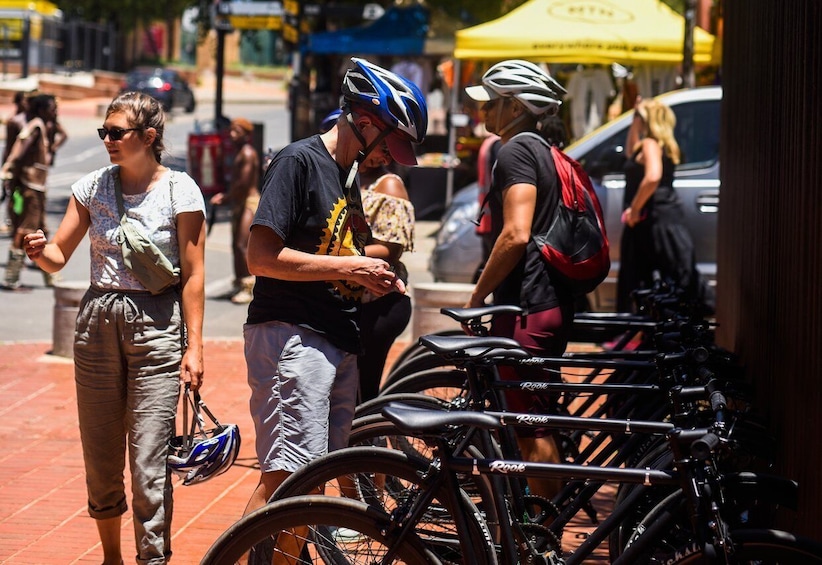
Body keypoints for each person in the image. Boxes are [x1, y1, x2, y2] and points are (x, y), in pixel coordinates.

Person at [22, 91, 206, 565]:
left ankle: (152, 558)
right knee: (101, 456)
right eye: (103, 132)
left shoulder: (180, 190)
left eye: (116, 132)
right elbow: (59, 256)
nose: (108, 140)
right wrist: (38, 251)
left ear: (149, 137)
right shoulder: (92, 188)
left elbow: (194, 273)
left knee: (148, 459)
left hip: (157, 327)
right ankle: (111, 557)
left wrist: (196, 347)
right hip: (96, 325)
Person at [241, 57, 427, 522]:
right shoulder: (298, 161)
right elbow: (261, 258)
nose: (390, 158)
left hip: (335, 338)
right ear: (363, 122)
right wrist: (353, 266)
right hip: (292, 335)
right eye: (390, 145)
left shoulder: (347, 177)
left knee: (313, 488)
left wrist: (368, 275)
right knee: (288, 484)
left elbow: (336, 256)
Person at [463, 60, 574, 499]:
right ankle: (540, 528)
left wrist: (477, 296)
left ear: (514, 107)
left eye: (490, 102)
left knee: (531, 430)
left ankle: (545, 538)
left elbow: (515, 233)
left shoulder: (515, 151)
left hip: (528, 306)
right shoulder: (542, 147)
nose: (483, 112)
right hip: (547, 302)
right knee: (531, 423)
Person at [616, 97, 707, 312]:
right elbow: (631, 154)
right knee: (659, 275)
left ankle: (642, 330)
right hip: (659, 220)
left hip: (654, 219)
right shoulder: (653, 146)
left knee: (654, 276)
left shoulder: (650, 144)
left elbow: (653, 177)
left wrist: (635, 208)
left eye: (639, 116)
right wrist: (634, 122)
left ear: (647, 120)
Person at [358, 164, 415, 402]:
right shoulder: (347, 176)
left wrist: (338, 255)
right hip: (358, 302)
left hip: (380, 304)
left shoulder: (388, 184)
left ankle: (370, 438)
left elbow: (390, 249)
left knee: (363, 393)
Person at [1, 93, 57, 289]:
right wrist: (7, 167)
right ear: (42, 109)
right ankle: (11, 278)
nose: (54, 112)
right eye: (51, 108)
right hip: (31, 187)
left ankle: (50, 276)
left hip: (37, 187)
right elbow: (18, 148)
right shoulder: (35, 126)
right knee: (25, 230)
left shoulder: (40, 125)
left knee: (43, 230)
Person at [209, 117, 260, 304]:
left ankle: (249, 286)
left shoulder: (247, 153)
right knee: (235, 246)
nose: (232, 134)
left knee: (241, 244)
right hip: (238, 202)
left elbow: (243, 184)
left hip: (249, 202)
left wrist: (226, 197)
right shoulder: (238, 153)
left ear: (247, 135)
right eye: (231, 130)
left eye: (237, 131)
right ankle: (239, 282)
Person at [1, 91, 29, 236]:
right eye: (24, 100)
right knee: (13, 194)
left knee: (26, 195)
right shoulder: (13, 121)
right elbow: (9, 146)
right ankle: (13, 222)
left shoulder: (31, 120)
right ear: (18, 102)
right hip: (14, 163)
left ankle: (20, 222)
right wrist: (6, 164)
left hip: (27, 165)